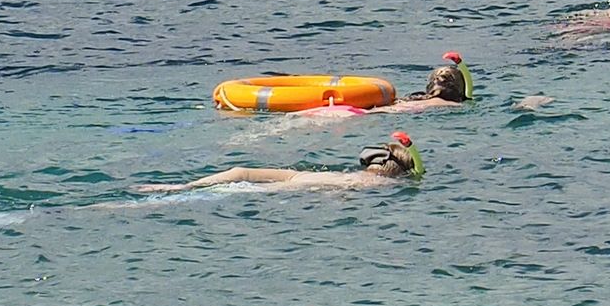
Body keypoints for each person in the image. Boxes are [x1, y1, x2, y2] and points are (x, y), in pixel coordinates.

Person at [142, 131, 423, 195]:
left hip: (292, 177)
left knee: (239, 171)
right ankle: (175, 190)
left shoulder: (357, 177)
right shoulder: (370, 186)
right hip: (288, 187)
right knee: (234, 184)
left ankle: (176, 186)